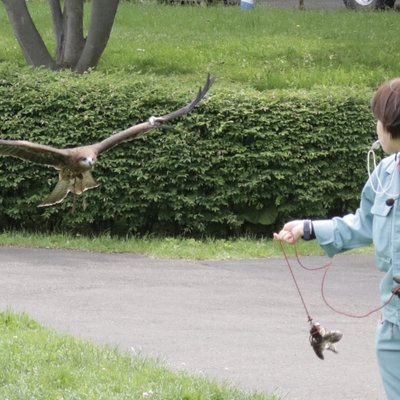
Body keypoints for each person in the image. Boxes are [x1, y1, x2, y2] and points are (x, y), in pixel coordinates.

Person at [273, 77, 400, 400]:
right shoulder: (384, 174)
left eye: (378, 119)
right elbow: (363, 225)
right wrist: (308, 227)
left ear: (390, 123)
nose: (376, 126)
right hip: (394, 325)